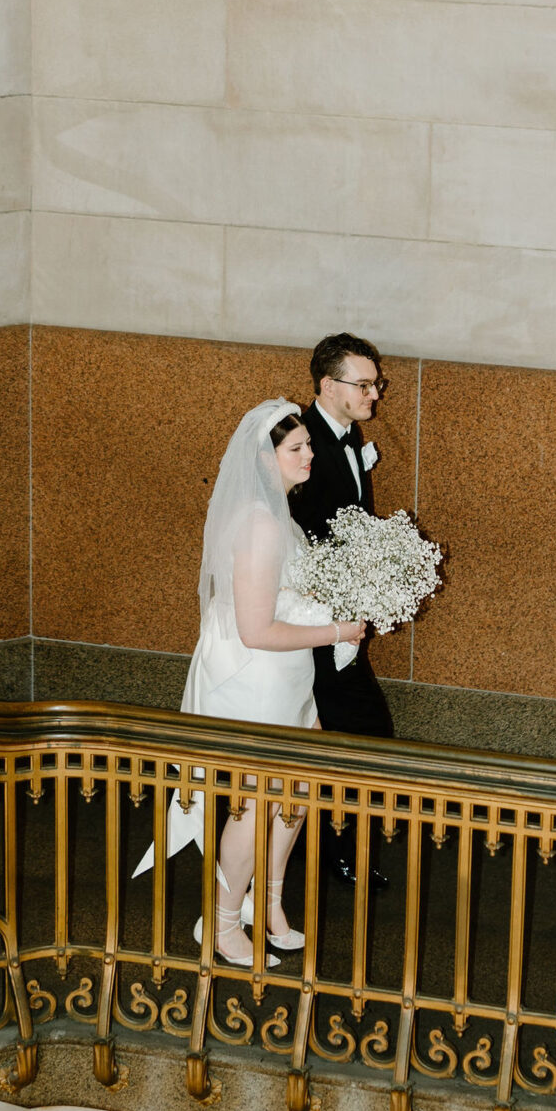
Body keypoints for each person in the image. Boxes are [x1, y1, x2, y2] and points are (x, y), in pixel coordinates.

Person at [154, 399, 363, 967]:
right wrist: (337, 628)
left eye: (309, 446)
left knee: (293, 792)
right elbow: (255, 629)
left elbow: (281, 598)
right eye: (295, 449)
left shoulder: (278, 515)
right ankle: (220, 924)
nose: (309, 455)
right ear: (264, 460)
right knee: (255, 802)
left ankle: (267, 905)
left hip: (284, 677)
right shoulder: (259, 526)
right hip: (254, 677)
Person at [289, 332, 395, 890]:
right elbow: (301, 538)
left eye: (376, 383)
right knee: (362, 733)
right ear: (327, 386)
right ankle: (339, 853)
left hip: (342, 623)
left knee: (335, 735)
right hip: (314, 624)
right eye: (364, 384)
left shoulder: (350, 440)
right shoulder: (302, 443)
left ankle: (333, 851)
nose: (374, 394)